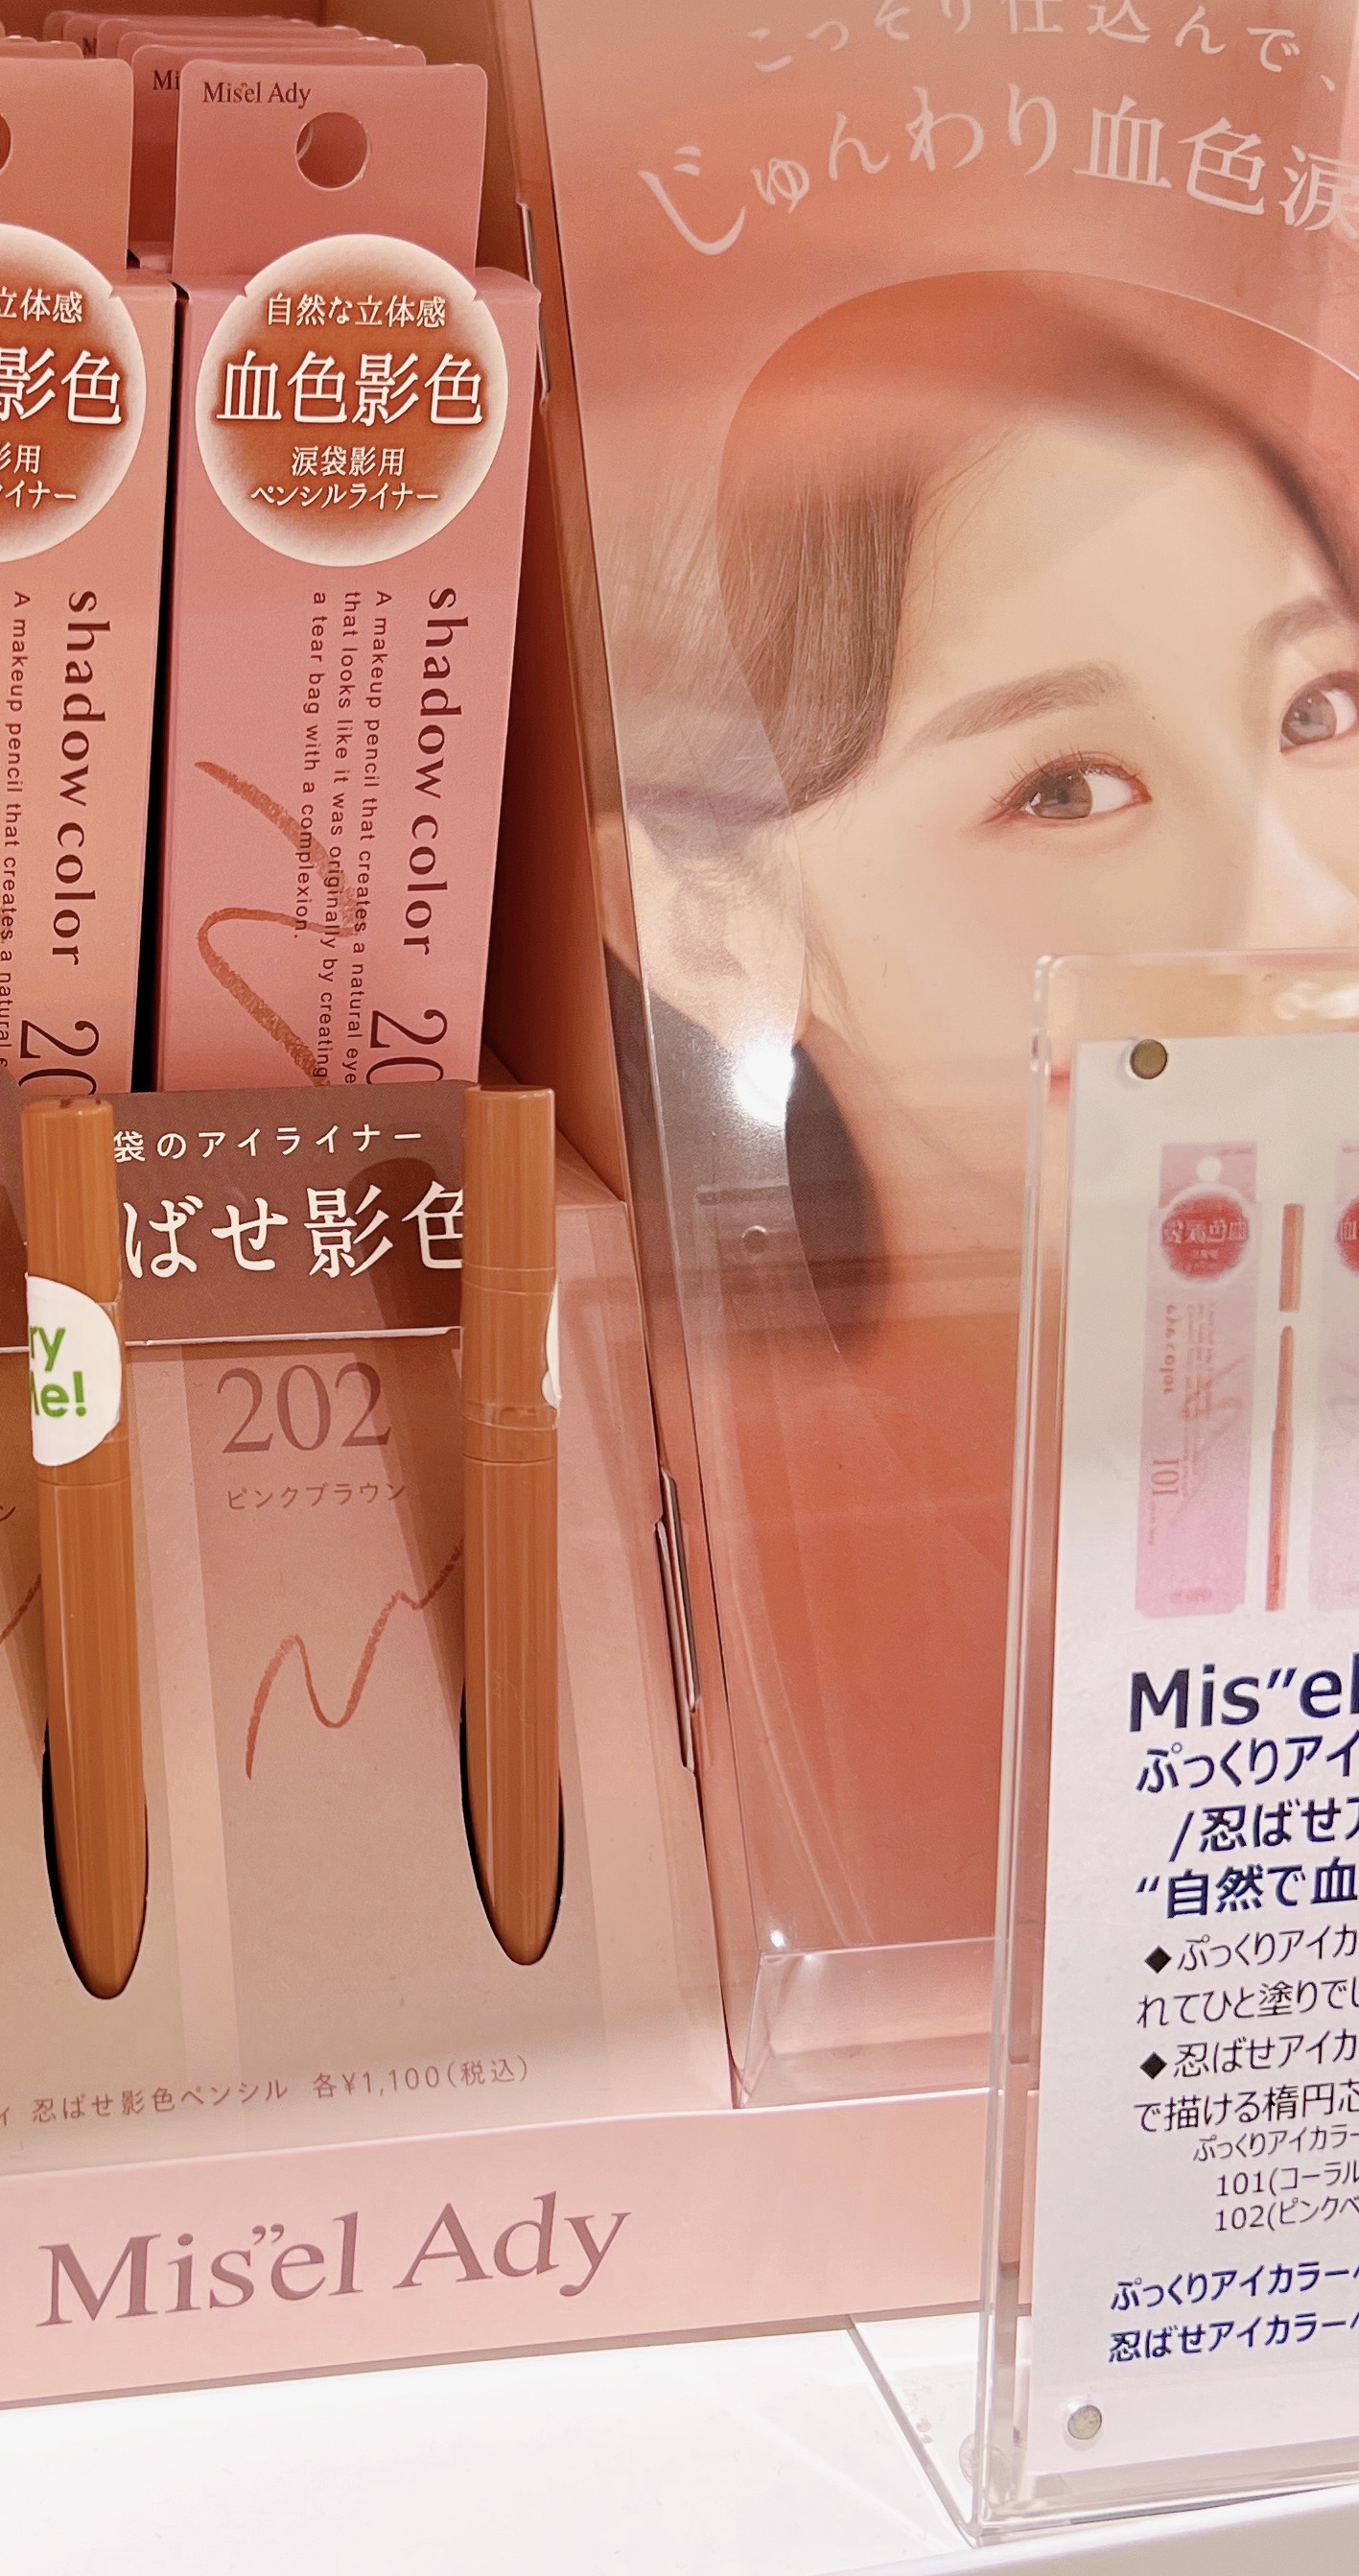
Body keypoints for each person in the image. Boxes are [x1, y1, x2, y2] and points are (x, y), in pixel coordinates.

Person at [629, 272, 1359, 1953]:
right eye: (1066, 788)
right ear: (710, 926)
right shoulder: (729, 1574)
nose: (1312, 901)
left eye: (1316, 709)